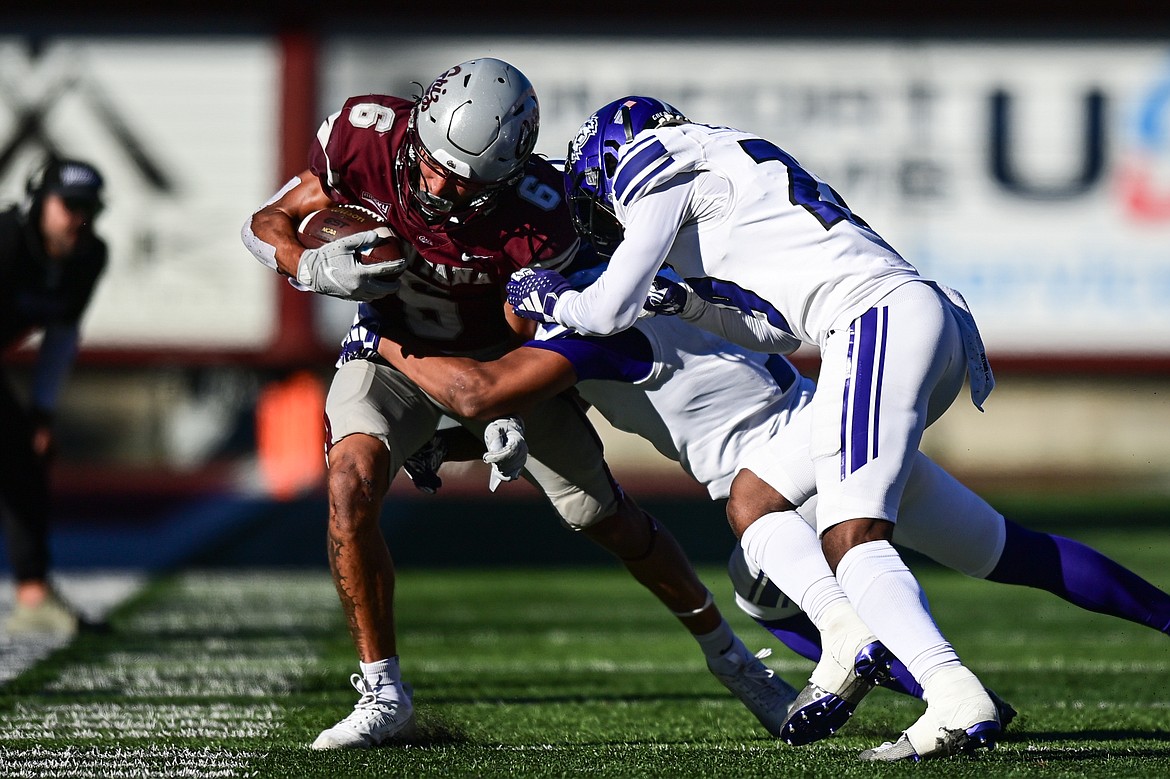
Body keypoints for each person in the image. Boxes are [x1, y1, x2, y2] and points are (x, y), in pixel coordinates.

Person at [373, 251, 1170, 738]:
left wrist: (381, 342)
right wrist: (460, 438)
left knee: (773, 586)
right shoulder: (653, 280)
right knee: (1013, 551)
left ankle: (924, 675)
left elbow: (484, 389)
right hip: (834, 421)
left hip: (784, 467)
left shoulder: (583, 326)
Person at [240, 61, 794, 750]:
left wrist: (501, 401)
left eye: (466, 181)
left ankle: (731, 657)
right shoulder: (366, 132)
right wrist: (305, 263)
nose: (440, 187)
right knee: (349, 480)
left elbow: (533, 322)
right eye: (434, 166)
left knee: (608, 519)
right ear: (419, 126)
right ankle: (383, 691)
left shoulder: (539, 206)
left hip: (493, 360)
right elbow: (266, 221)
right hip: (390, 345)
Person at [506, 95, 1008, 761]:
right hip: (882, 325)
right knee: (756, 497)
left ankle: (950, 690)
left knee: (852, 535)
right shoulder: (721, 159)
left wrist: (552, 298)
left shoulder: (651, 165)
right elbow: (776, 328)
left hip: (875, 322)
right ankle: (852, 644)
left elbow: (605, 311)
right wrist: (687, 301)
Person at [1, 156, 108, 637]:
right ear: (38, 204)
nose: (80, 218)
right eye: (70, 205)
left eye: (90, 207)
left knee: (24, 456)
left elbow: (62, 335)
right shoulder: (5, 242)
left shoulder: (88, 257)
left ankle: (33, 595)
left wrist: (41, 413)